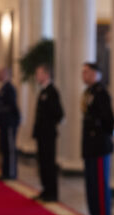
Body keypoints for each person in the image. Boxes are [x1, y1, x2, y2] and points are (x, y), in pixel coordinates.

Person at [80, 62, 114, 215]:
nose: (83, 75)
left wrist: (100, 134)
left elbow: (109, 120)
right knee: (91, 184)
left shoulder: (101, 93)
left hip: (99, 145)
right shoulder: (90, 92)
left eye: (86, 72)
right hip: (90, 145)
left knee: (100, 185)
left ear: (96, 74)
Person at [32, 64, 64, 201]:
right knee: (43, 163)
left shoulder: (52, 91)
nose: (36, 76)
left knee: (49, 163)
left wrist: (48, 125)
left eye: (39, 73)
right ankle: (46, 190)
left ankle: (52, 193)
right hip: (41, 134)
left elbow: (59, 113)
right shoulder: (43, 91)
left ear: (46, 74)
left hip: (48, 134)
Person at [0, 68, 20, 180]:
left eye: (2, 73)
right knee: (4, 148)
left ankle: (11, 173)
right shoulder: (2, 87)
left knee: (10, 148)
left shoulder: (10, 88)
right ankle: (5, 171)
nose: (0, 75)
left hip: (9, 122)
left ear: (7, 74)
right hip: (3, 122)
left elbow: (11, 106)